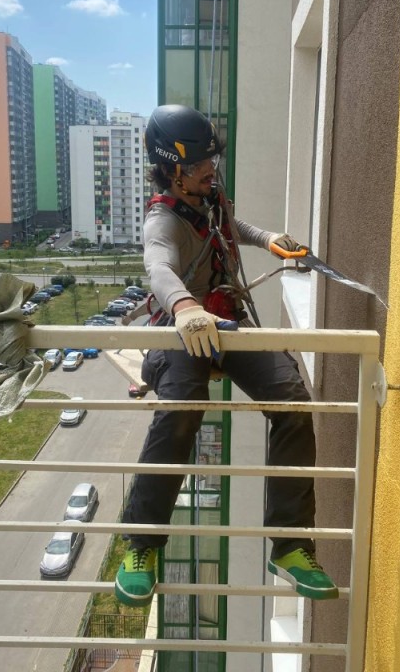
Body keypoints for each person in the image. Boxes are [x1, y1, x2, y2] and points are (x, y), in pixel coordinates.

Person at [114, 104, 338, 607]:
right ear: (172, 168)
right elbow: (160, 268)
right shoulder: (162, 219)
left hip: (227, 321)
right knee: (181, 411)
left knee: (292, 401)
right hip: (185, 328)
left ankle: (291, 546)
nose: (209, 170)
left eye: (210, 161)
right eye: (197, 165)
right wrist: (186, 306)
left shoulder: (210, 199)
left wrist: (270, 239)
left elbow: (232, 226)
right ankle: (142, 545)